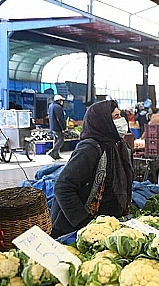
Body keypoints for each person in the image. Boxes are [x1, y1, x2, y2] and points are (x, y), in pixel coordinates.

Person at [50, 100, 133, 238]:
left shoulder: (119, 146)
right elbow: (63, 187)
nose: (122, 121)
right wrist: (85, 223)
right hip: (75, 230)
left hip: (106, 227)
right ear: (103, 121)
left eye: (120, 116)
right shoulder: (89, 149)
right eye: (116, 117)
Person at [47, 94, 67, 160]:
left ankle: (56, 155)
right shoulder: (58, 107)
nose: (62, 102)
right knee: (61, 140)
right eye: (61, 100)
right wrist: (63, 128)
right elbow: (60, 118)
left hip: (52, 126)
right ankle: (52, 151)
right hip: (57, 127)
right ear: (59, 100)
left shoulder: (51, 106)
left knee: (56, 140)